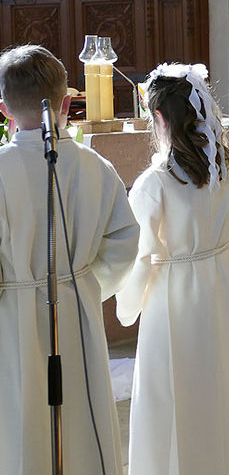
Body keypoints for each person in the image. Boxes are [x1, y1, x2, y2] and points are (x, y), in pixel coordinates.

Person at [116, 64, 229, 475]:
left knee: (174, 397)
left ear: (160, 118)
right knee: (227, 392)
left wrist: (127, 304)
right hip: (224, 293)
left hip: (173, 299)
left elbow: (141, 254)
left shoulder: (156, 182)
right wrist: (227, 278)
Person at [0, 45, 139, 474]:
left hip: (12, 317)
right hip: (74, 310)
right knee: (82, 425)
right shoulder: (95, 166)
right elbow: (124, 239)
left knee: (21, 428)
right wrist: (85, 282)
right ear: (66, 104)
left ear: (3, 110)